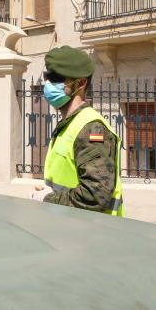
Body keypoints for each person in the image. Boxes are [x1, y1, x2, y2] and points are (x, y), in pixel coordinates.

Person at [31, 45, 124, 216]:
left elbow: (95, 195)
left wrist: (49, 199)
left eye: (56, 78)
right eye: (47, 77)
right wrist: (48, 192)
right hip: (69, 230)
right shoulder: (69, 124)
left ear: (81, 83)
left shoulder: (91, 129)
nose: (49, 84)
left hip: (90, 235)